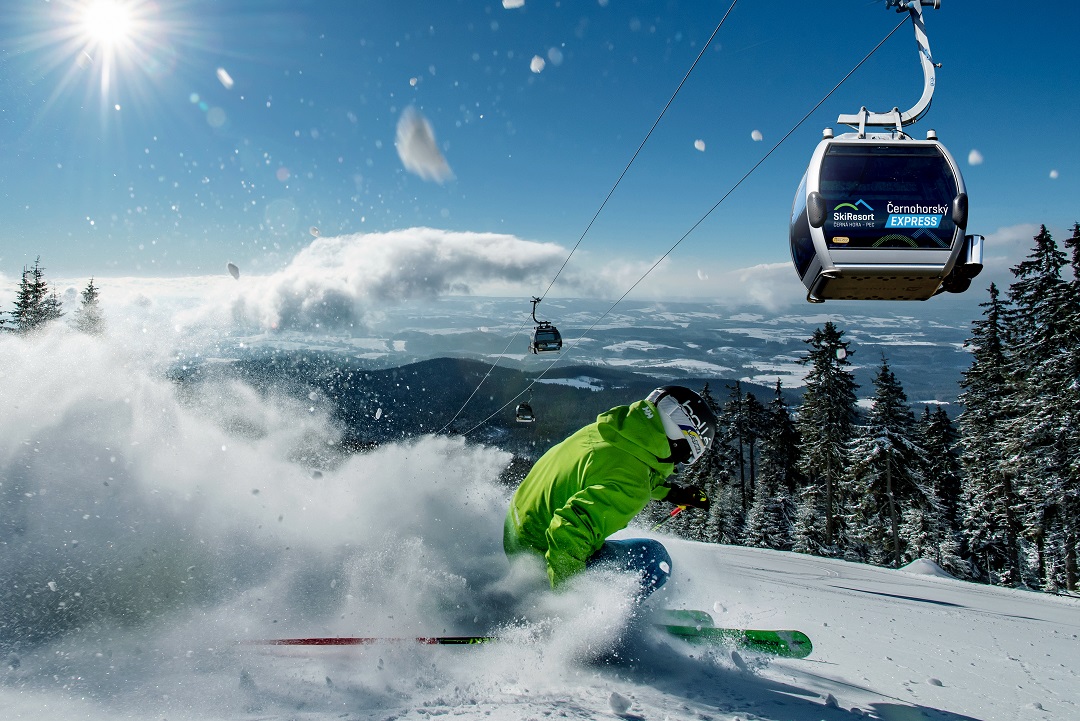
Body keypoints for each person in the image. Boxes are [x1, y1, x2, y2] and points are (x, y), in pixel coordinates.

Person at [503, 385, 716, 599]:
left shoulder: (610, 433)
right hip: (542, 555)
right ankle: (610, 618)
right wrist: (567, 610)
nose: (684, 461)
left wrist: (671, 493)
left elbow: (616, 471)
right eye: (691, 453)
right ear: (679, 435)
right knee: (654, 558)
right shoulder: (633, 483)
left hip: (518, 531)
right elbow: (567, 534)